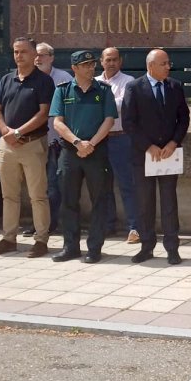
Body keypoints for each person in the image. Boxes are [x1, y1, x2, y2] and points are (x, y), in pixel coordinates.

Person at [49, 50, 117, 263]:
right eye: (85, 65)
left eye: (92, 64)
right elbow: (57, 122)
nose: (91, 68)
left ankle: (95, 248)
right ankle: (70, 247)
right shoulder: (63, 90)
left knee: (100, 200)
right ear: (74, 68)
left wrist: (91, 144)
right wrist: (77, 142)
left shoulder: (104, 90)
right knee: (68, 201)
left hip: (96, 152)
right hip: (70, 153)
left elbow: (109, 120)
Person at [0, 37, 55, 257]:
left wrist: (18, 132)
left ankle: (41, 240)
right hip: (7, 146)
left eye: (24, 52)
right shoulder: (7, 79)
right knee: (9, 195)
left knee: (37, 195)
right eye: (16, 52)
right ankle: (9, 238)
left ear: (34, 54)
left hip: (32, 144)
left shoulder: (43, 81)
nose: (19, 56)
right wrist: (6, 133)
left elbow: (43, 113)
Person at [123, 49, 189, 265]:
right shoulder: (134, 87)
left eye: (169, 63)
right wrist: (148, 146)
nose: (168, 67)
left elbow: (184, 119)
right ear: (151, 66)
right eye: (164, 64)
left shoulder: (175, 86)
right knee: (145, 203)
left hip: (169, 154)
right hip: (144, 156)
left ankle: (172, 248)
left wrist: (173, 143)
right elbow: (129, 123)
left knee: (169, 202)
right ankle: (147, 247)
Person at [26, 42, 73, 237]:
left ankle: (50, 224)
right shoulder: (26, 77)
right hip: (32, 140)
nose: (38, 58)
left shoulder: (64, 79)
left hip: (56, 142)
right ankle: (38, 223)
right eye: (35, 55)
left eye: (42, 55)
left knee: (53, 186)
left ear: (52, 57)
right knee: (36, 185)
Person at [99, 47, 140, 243]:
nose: (112, 63)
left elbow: (121, 105)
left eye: (115, 59)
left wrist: (98, 102)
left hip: (121, 139)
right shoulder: (95, 82)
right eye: (108, 59)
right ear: (101, 62)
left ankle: (134, 227)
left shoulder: (128, 82)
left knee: (127, 184)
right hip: (99, 140)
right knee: (102, 184)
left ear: (120, 62)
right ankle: (108, 225)